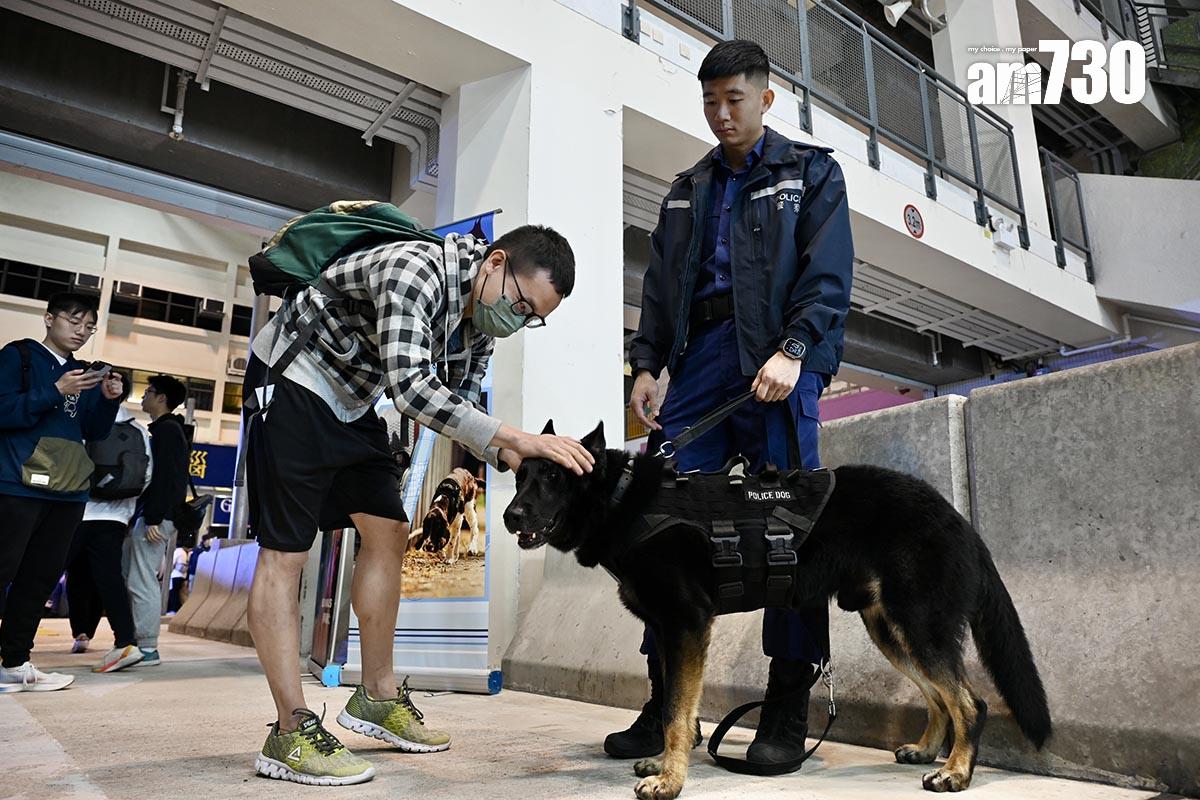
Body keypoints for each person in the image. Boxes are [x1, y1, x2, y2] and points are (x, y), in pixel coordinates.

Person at [244, 221, 594, 785]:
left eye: (533, 318)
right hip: (293, 379)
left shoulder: (480, 323)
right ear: (495, 264)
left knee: (387, 531)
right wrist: (520, 437)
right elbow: (410, 389)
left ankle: (377, 696)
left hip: (352, 401)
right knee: (285, 552)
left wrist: (530, 466)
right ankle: (289, 730)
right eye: (521, 303)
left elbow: (455, 403)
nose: (519, 320)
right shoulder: (415, 269)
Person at [622, 40, 854, 768]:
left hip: (778, 357)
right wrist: (648, 364)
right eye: (710, 102)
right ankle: (666, 705)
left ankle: (787, 706)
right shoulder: (686, 188)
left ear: (766, 98)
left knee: (789, 530)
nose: (722, 114)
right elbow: (661, 288)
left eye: (735, 100)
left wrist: (796, 351)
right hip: (701, 362)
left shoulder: (810, 172)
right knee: (662, 524)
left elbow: (828, 271)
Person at [0, 293, 124, 692]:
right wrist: (55, 390)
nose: (81, 331)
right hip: (17, 484)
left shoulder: (83, 372)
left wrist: (106, 401)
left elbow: (93, 431)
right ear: (49, 318)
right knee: (3, 569)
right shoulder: (17, 357)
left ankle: (15, 662)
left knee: (39, 579)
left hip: (68, 490)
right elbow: (4, 410)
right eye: (74, 321)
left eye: (89, 326)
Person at [64, 370, 153, 673]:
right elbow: (146, 477)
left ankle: (13, 643)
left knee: (43, 572)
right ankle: (126, 642)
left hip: (77, 512)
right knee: (111, 580)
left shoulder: (84, 424)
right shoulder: (138, 430)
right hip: (116, 517)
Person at [124, 374, 189, 668]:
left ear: (162, 398)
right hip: (155, 515)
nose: (143, 396)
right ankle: (139, 643)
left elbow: (167, 478)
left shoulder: (168, 431)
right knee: (135, 575)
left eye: (148, 391)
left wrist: (154, 517)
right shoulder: (165, 430)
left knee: (142, 580)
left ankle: (147, 647)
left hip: (156, 517)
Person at [167, 543, 189, 612]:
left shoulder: (177, 551)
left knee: (173, 593)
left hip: (175, 575)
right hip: (182, 575)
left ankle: (173, 609)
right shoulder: (184, 552)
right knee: (179, 593)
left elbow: (172, 562)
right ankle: (177, 609)